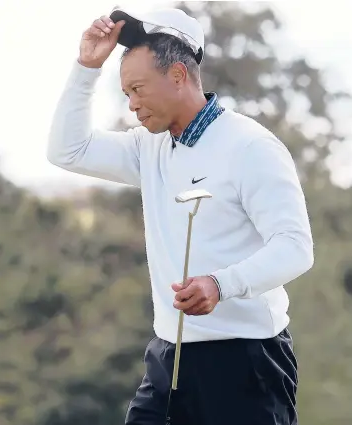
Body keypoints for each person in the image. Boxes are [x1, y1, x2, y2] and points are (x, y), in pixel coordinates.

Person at [47, 7, 314, 425]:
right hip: (167, 354)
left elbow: (295, 248)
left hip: (246, 361)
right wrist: (86, 68)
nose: (132, 105)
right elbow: (67, 150)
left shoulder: (252, 146)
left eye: (137, 89)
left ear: (177, 76)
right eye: (126, 93)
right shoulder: (147, 146)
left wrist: (220, 284)